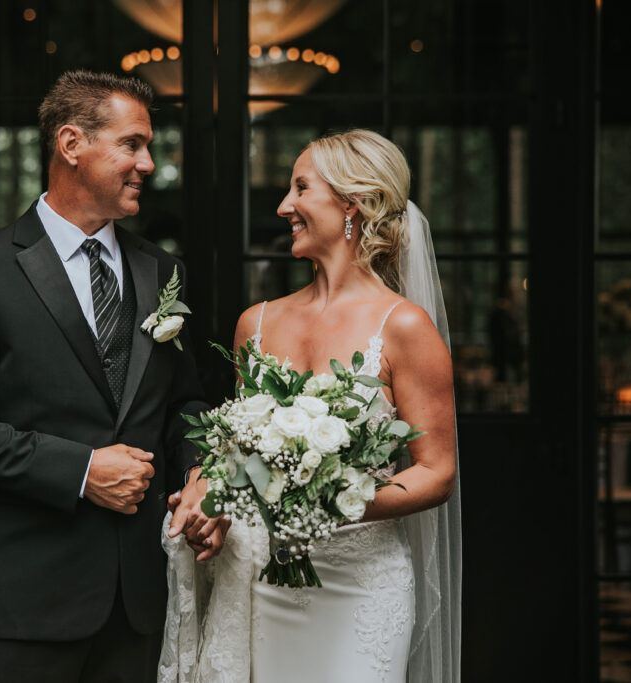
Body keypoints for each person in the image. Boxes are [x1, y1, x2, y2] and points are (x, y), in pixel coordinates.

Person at [0, 70, 213, 683]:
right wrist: (81, 470)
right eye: (132, 144)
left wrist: (200, 474)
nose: (149, 164)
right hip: (21, 603)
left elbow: (184, 404)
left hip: (138, 602)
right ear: (71, 144)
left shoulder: (162, 270)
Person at [160, 130, 462, 683]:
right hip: (263, 584)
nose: (284, 206)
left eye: (300, 187)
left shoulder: (404, 328)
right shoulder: (257, 322)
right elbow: (239, 453)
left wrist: (329, 505)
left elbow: (437, 473)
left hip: (361, 586)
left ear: (353, 203)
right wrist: (212, 489)